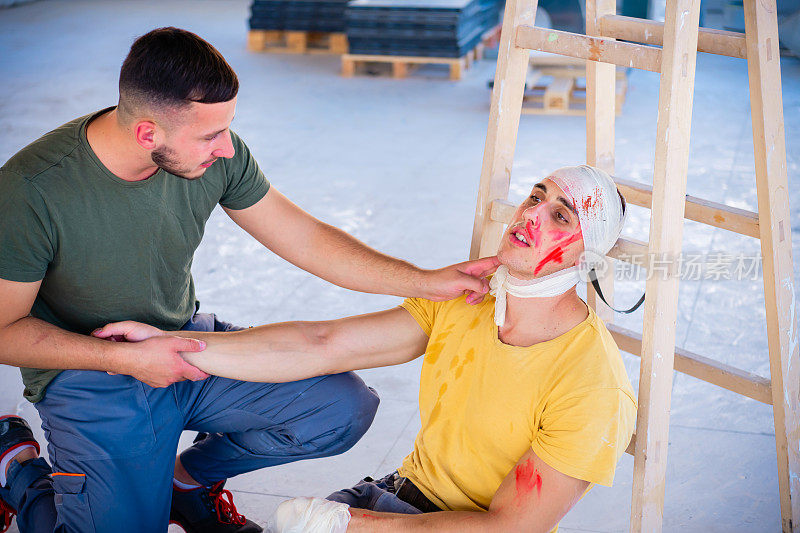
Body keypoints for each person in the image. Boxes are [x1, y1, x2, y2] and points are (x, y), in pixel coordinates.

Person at [0, 27, 498, 533]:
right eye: (210, 135)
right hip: (92, 373)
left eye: (227, 129)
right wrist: (121, 357)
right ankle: (16, 466)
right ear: (148, 133)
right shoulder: (31, 192)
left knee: (341, 409)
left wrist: (424, 282)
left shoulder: (215, 154)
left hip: (186, 342)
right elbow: (2, 332)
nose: (226, 149)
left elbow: (306, 239)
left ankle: (186, 482)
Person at [94, 165, 637, 533]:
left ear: (586, 260)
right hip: (391, 498)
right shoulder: (467, 301)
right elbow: (321, 345)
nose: (531, 215)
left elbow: (505, 528)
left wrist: (351, 527)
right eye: (536, 196)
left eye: (561, 216)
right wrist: (173, 346)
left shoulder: (592, 384)